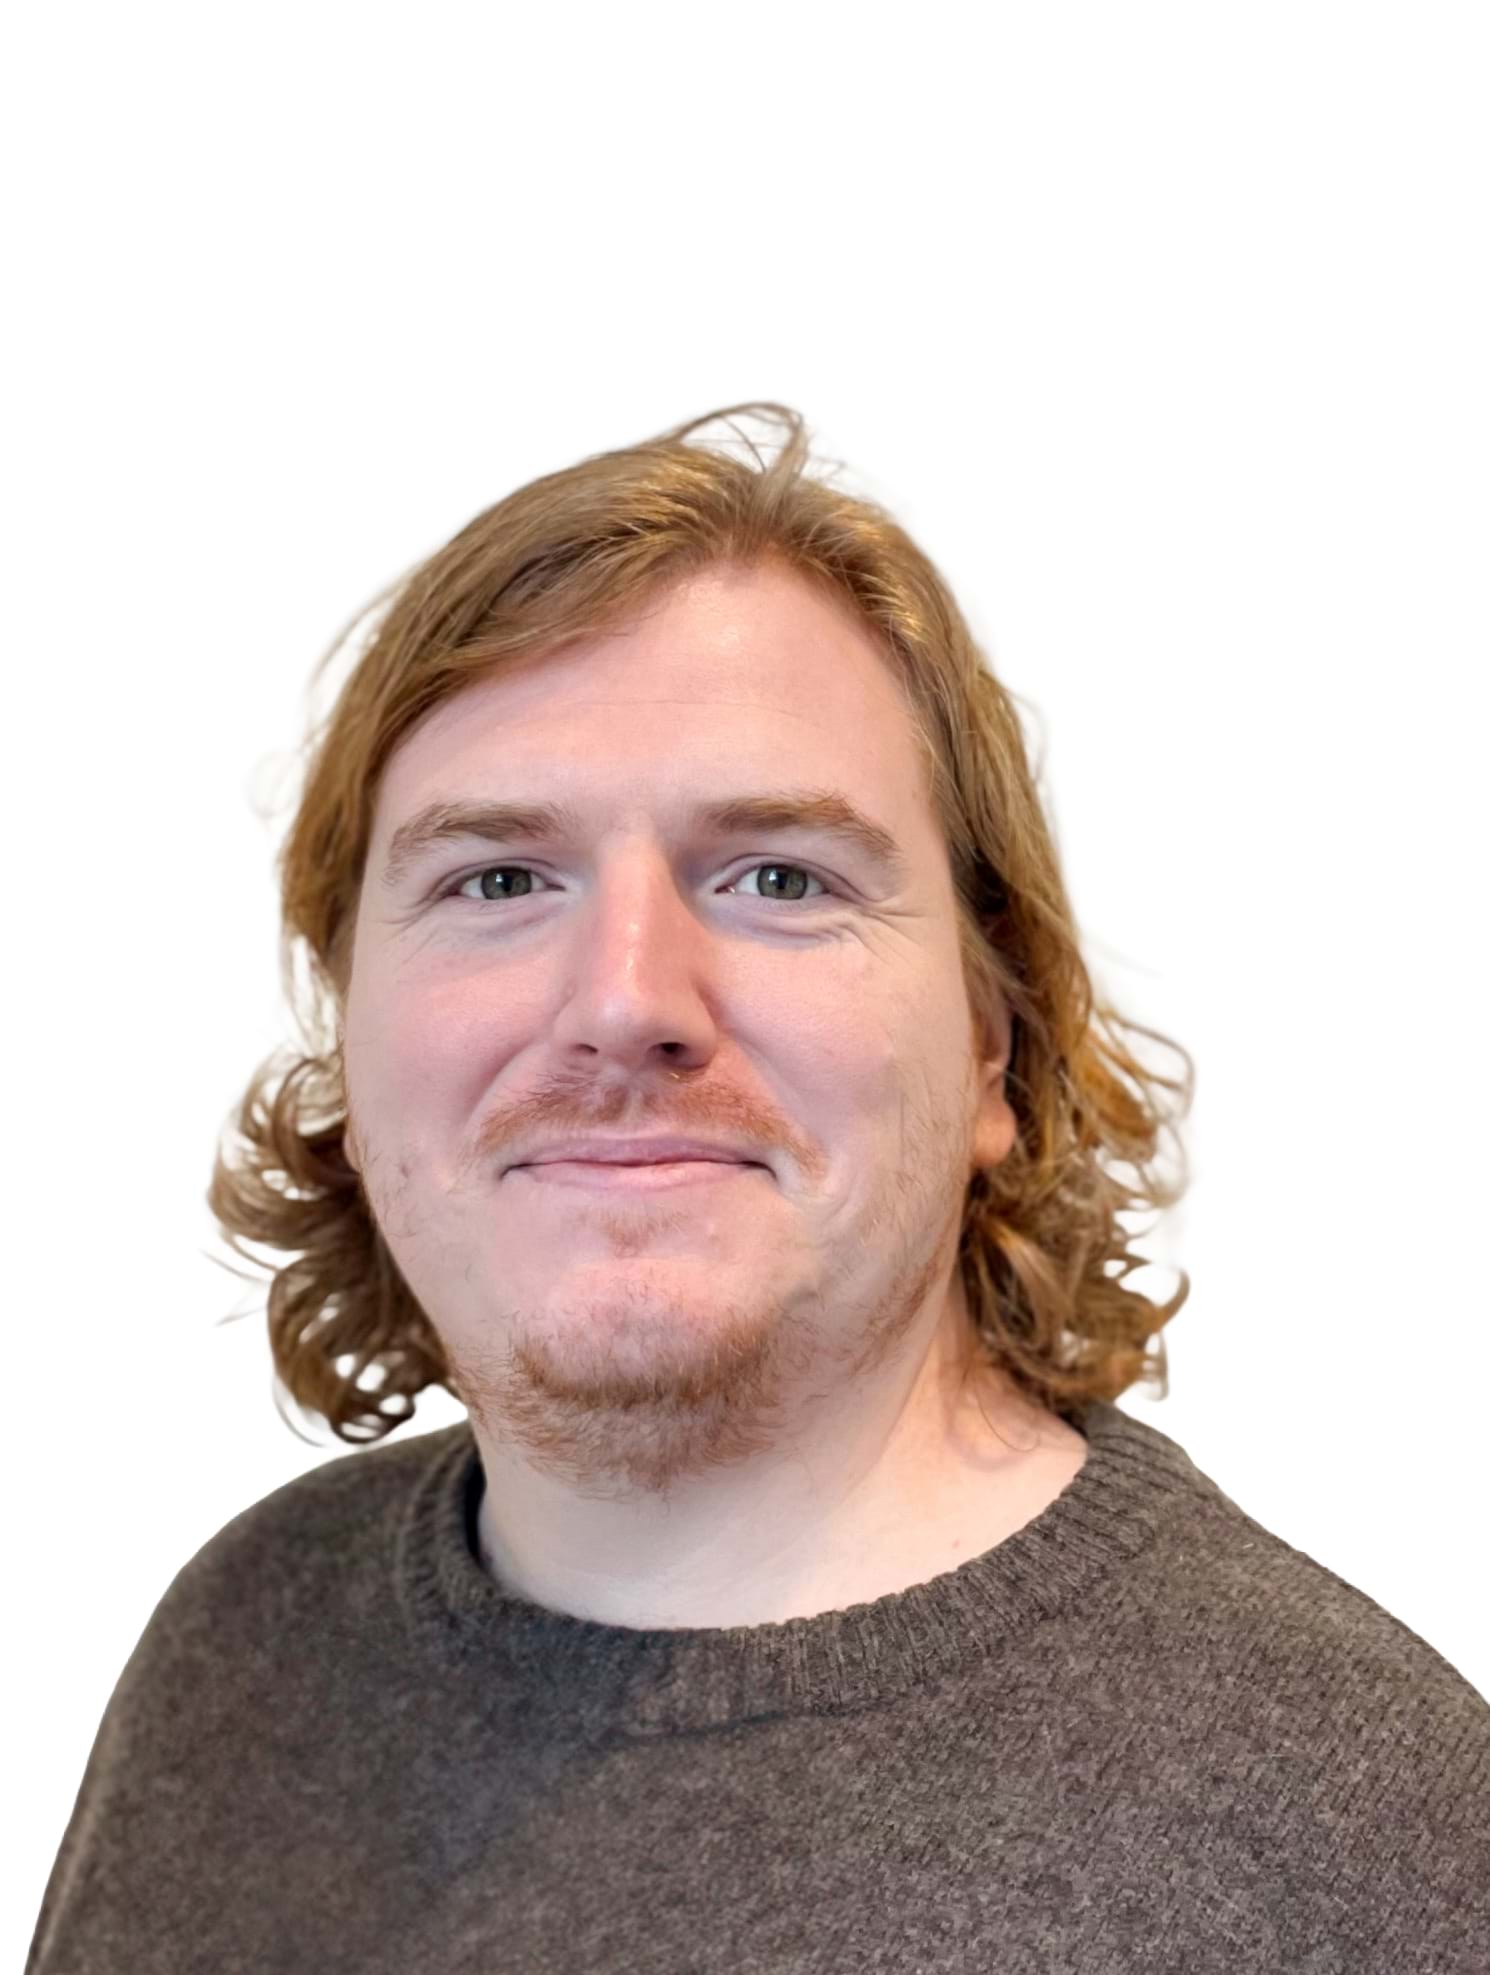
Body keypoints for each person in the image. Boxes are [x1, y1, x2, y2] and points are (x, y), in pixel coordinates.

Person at [31, 404, 1488, 1972]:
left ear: (991, 1044)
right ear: (353, 1018)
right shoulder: (248, 1649)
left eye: (779, 877)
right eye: (498, 878)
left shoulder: (1359, 1837)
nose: (623, 999)